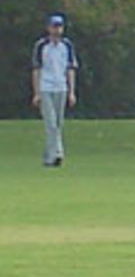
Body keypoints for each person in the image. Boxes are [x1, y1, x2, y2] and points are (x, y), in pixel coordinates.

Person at [31, 12, 80, 167]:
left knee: (58, 123)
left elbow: (70, 69)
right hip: (46, 87)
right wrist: (37, 92)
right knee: (50, 123)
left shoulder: (67, 46)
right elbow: (36, 69)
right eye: (54, 26)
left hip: (61, 87)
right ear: (48, 28)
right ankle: (58, 153)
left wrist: (71, 91)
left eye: (59, 26)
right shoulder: (41, 46)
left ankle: (48, 157)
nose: (57, 30)